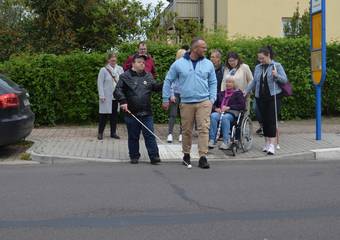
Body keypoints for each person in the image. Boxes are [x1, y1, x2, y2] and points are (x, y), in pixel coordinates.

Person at [162, 37, 217, 169]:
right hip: (186, 102)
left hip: (204, 101)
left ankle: (203, 157)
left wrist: (212, 99)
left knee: (204, 129)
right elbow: (168, 80)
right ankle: (186, 154)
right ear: (194, 49)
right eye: (203, 47)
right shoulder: (178, 64)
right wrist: (165, 98)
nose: (205, 49)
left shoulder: (208, 64)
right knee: (186, 130)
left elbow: (213, 82)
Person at [114, 54, 163, 164]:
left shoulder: (148, 76)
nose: (142, 64)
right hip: (132, 113)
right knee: (133, 136)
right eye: (139, 61)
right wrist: (123, 101)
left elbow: (155, 87)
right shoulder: (125, 76)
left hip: (146, 112)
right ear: (133, 63)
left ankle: (154, 156)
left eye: (143, 62)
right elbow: (117, 90)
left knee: (150, 135)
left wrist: (165, 84)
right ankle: (134, 155)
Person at [244, 46, 288, 155]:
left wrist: (276, 75)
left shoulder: (276, 66)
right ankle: (267, 143)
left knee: (271, 121)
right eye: (259, 58)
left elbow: (285, 80)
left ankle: (272, 145)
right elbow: (254, 81)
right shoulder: (258, 67)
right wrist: (246, 91)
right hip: (260, 97)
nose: (260, 60)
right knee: (264, 121)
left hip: (273, 97)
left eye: (262, 58)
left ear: (268, 56)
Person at [208, 78, 245, 149]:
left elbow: (242, 105)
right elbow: (213, 104)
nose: (228, 84)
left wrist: (229, 107)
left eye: (230, 82)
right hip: (221, 112)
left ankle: (226, 141)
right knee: (213, 116)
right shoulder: (221, 93)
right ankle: (212, 139)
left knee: (225, 118)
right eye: (227, 82)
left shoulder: (238, 93)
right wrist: (216, 108)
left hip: (231, 113)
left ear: (234, 84)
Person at [97, 52, 124, 140]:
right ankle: (100, 133)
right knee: (103, 116)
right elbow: (100, 83)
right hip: (106, 96)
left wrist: (122, 94)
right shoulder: (103, 70)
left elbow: (123, 82)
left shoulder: (120, 69)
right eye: (112, 59)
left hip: (116, 96)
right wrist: (101, 95)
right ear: (108, 60)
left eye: (115, 58)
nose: (113, 60)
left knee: (114, 116)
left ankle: (113, 133)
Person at [166, 48, 186, 143]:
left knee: (184, 115)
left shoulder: (188, 67)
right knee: (172, 115)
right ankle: (170, 134)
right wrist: (172, 95)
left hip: (185, 95)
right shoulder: (174, 67)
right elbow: (171, 82)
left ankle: (182, 134)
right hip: (175, 94)